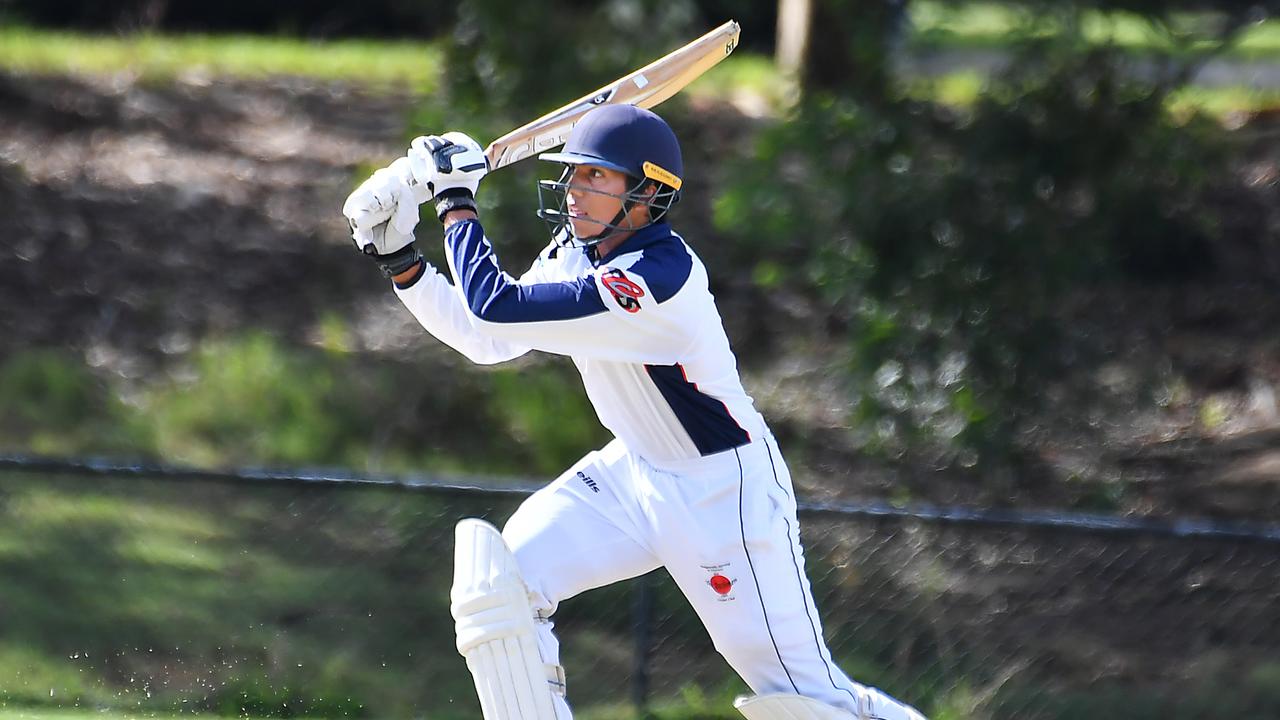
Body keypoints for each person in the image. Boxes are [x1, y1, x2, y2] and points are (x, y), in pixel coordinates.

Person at [342, 104, 926, 720]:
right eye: (574, 175)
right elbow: (490, 340)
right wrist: (403, 262)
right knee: (503, 582)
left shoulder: (659, 281)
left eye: (596, 178)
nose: (575, 192)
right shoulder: (576, 248)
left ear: (647, 194)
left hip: (721, 495)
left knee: (806, 702)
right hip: (632, 475)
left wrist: (456, 202)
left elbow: (495, 307)